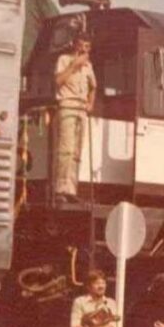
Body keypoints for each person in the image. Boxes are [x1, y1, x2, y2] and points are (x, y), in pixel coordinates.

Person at [53, 32, 97, 204]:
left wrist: (90, 104)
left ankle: (71, 189)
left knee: (77, 152)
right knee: (66, 150)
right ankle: (60, 189)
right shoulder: (63, 60)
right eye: (81, 45)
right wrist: (74, 65)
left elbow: (93, 87)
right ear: (74, 45)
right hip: (67, 106)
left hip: (81, 110)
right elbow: (58, 81)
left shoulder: (89, 66)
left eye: (87, 46)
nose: (83, 49)